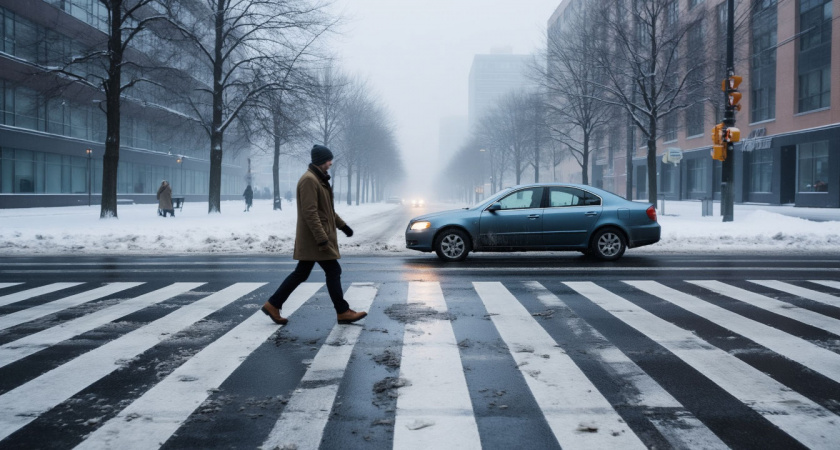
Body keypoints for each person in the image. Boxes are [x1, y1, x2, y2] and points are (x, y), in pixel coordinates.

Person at [261, 144, 367, 326]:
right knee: (333, 271)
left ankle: (273, 304)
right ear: (321, 161)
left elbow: (327, 211)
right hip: (316, 239)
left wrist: (343, 226)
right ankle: (342, 311)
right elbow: (310, 213)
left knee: (301, 273)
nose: (330, 163)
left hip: (316, 238)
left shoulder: (319, 180)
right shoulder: (309, 180)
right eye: (328, 160)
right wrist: (322, 238)